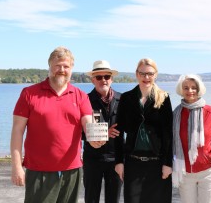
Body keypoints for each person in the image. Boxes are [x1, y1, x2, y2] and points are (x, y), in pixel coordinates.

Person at [10, 46, 103, 203]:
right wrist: (16, 166)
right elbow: (17, 131)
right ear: (50, 66)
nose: (61, 70)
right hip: (39, 171)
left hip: (72, 170)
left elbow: (88, 122)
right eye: (57, 65)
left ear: (71, 69)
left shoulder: (80, 96)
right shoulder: (29, 93)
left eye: (66, 66)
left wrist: (95, 138)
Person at [114, 58, 173, 203]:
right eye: (143, 74)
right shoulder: (126, 98)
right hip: (133, 163)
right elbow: (118, 132)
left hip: (158, 163)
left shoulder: (164, 98)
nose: (146, 77)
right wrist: (119, 161)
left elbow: (168, 133)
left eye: (150, 74)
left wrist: (168, 164)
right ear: (137, 74)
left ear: (155, 75)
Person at [172, 74, 211, 203]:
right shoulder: (176, 114)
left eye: (193, 87)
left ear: (199, 89)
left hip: (208, 172)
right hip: (185, 172)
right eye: (186, 88)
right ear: (181, 90)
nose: (190, 91)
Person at [83, 60, 122, 203]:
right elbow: (79, 132)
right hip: (92, 159)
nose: (103, 80)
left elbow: (131, 128)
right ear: (93, 80)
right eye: (99, 77)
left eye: (106, 76)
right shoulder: (84, 100)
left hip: (116, 159)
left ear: (111, 79)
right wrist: (105, 132)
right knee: (91, 199)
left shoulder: (122, 100)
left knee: (114, 199)